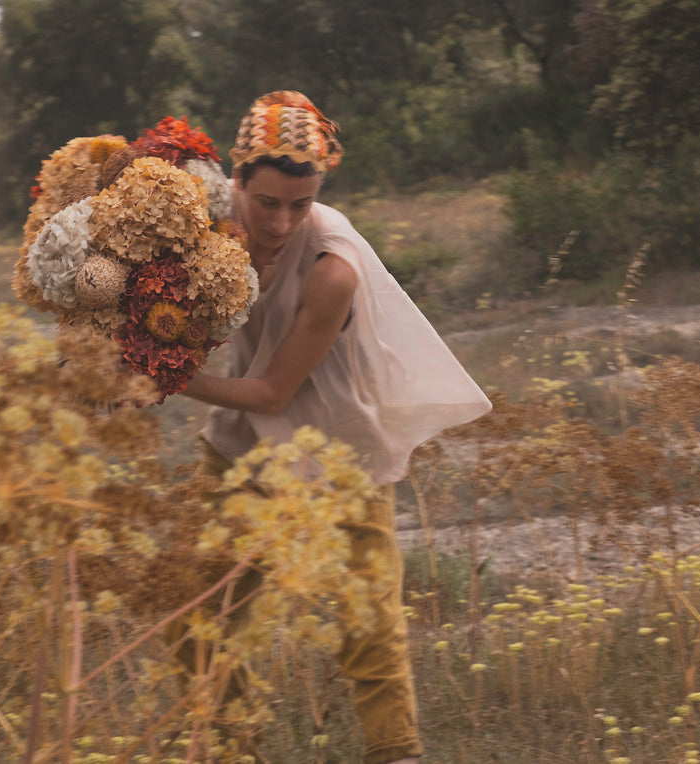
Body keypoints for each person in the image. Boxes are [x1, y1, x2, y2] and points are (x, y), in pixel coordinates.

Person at [182, 90, 493, 764]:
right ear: (234, 181)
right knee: (192, 610)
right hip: (239, 444)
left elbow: (270, 391)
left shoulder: (332, 268)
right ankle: (231, 747)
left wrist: (159, 375)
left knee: (366, 621)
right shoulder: (205, 228)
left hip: (335, 444)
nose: (283, 220)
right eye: (267, 202)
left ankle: (396, 753)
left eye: (301, 204)